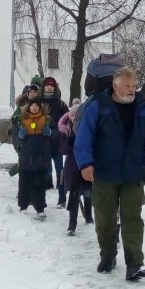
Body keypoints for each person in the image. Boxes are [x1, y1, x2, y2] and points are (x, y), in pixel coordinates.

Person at [74, 66, 145, 282]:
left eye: (134, 85)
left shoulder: (142, 107)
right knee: (105, 219)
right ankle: (107, 255)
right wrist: (85, 163)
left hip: (133, 172)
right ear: (116, 86)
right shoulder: (98, 106)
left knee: (132, 218)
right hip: (104, 173)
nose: (132, 89)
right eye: (127, 86)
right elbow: (84, 137)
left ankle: (135, 263)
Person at [58, 98, 93, 236]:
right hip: (72, 168)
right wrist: (69, 141)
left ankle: (89, 216)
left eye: (77, 115)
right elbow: (63, 150)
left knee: (88, 194)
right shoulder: (66, 131)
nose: (74, 117)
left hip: (86, 166)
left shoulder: (88, 129)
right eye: (72, 115)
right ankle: (72, 225)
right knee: (74, 196)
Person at [16, 99, 53, 219]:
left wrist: (50, 133)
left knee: (40, 185)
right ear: (28, 107)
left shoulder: (46, 119)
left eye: (37, 105)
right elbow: (16, 138)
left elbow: (56, 134)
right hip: (26, 157)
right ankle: (23, 206)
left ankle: (40, 209)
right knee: (24, 183)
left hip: (41, 157)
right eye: (32, 105)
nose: (35, 107)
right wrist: (20, 136)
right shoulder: (22, 120)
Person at [41, 76, 71, 207]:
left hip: (57, 144)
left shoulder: (61, 104)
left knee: (60, 171)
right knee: (43, 171)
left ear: (54, 88)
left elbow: (67, 120)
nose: (49, 87)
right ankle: (40, 200)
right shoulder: (38, 103)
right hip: (43, 144)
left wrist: (57, 128)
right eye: (47, 85)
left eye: (51, 86)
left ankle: (62, 198)